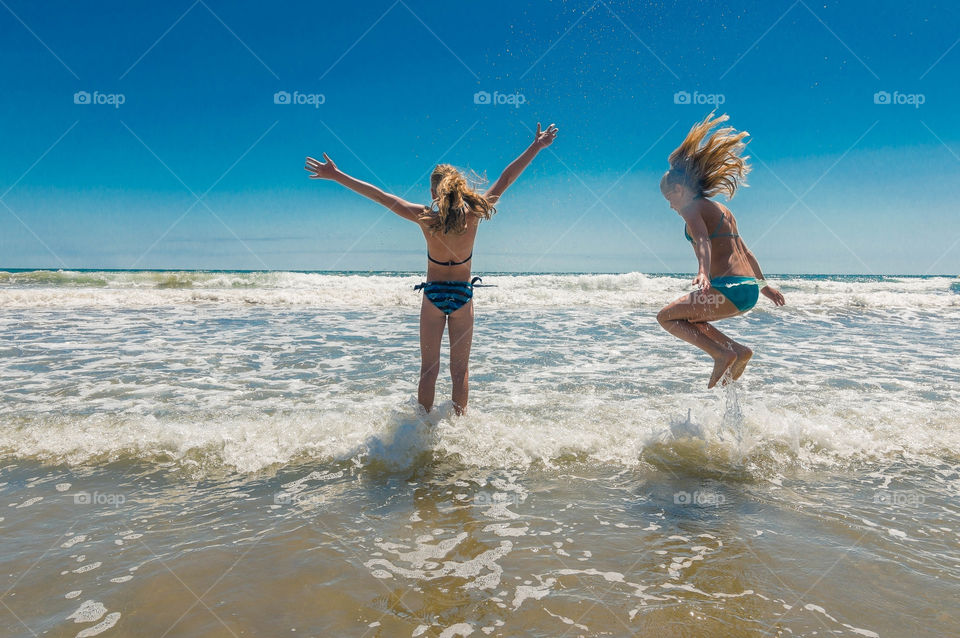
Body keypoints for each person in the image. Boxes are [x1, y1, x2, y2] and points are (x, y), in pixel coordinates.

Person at [305, 123, 559, 414]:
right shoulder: (475, 213)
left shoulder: (425, 217)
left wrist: (336, 176)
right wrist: (537, 146)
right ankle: (459, 431)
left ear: (434, 191)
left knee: (429, 370)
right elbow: (506, 177)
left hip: (434, 296)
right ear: (459, 189)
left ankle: (421, 432)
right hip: (463, 296)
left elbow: (380, 197)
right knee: (460, 371)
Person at [656, 113, 785, 388]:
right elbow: (746, 253)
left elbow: (702, 239)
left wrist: (703, 271)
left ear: (679, 189)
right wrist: (764, 286)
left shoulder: (691, 208)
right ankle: (737, 350)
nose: (670, 207)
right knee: (688, 317)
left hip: (727, 289)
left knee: (666, 317)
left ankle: (721, 352)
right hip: (747, 291)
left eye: (670, 199)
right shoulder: (724, 210)